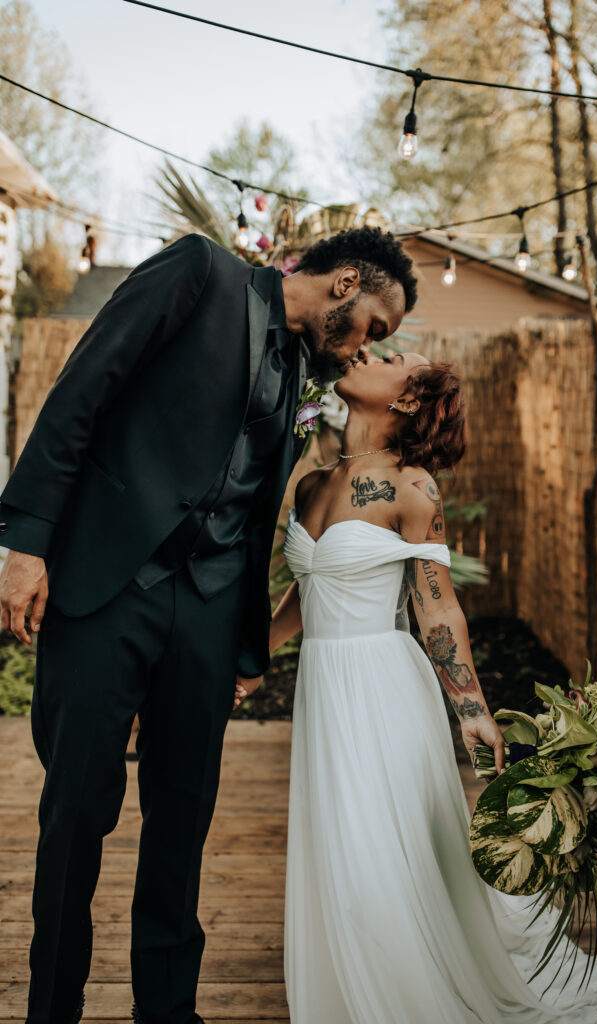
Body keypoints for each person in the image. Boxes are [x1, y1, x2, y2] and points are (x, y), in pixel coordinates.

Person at [0, 227, 417, 1024]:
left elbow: (255, 509)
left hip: (209, 608)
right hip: (106, 589)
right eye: (373, 325)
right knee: (76, 810)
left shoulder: (300, 366)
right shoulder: (201, 274)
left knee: (182, 816)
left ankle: (168, 1010)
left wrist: (245, 642)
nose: (366, 346)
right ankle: (50, 1010)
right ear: (347, 282)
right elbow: (80, 391)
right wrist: (25, 546)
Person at [237, 349, 597, 1023]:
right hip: (324, 690)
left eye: (391, 357)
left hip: (383, 691)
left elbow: (435, 603)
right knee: (341, 842)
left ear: (405, 402)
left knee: (378, 848)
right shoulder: (312, 482)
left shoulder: (412, 488)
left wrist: (470, 709)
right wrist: (256, 659)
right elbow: (310, 591)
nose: (365, 352)